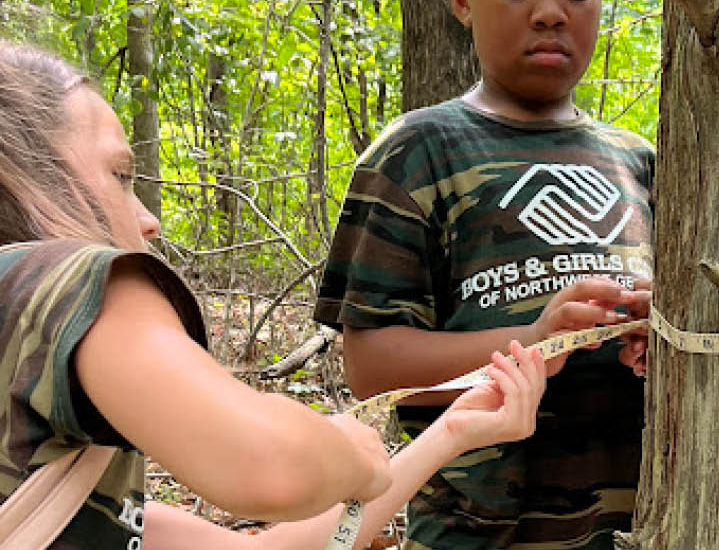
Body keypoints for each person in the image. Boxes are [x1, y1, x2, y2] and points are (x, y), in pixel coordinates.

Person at [0, 41, 548, 550]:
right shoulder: (62, 276)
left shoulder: (59, 457)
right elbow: (270, 466)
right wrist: (348, 453)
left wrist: (450, 433)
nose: (149, 219)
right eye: (120, 174)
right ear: (26, 173)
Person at [314, 0, 654, 550]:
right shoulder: (417, 153)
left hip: (634, 526)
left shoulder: (641, 162)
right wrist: (529, 343)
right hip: (478, 533)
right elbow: (371, 364)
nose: (551, 11)